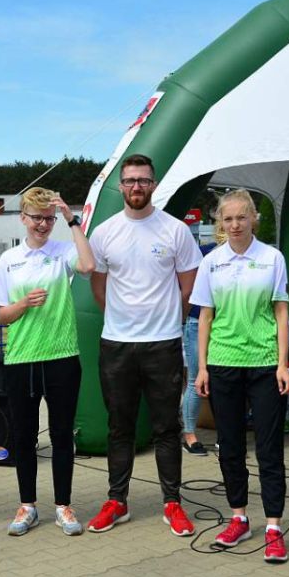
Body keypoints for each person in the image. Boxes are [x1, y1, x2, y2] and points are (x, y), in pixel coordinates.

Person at [87, 153, 202, 536]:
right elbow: (99, 288)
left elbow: (189, 287)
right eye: (130, 180)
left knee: (166, 427)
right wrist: (123, 320)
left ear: (154, 184)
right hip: (117, 346)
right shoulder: (104, 233)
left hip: (163, 345)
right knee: (119, 427)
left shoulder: (175, 231)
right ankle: (117, 502)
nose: (137, 186)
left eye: (143, 180)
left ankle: (172, 503)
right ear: (121, 186)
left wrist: (166, 321)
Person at [191, 189, 289, 562]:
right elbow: (205, 317)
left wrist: (283, 364)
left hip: (264, 364)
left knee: (269, 448)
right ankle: (239, 518)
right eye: (228, 218)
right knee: (230, 446)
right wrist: (202, 368)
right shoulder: (211, 262)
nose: (235, 225)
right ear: (220, 222)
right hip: (223, 364)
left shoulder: (272, 258)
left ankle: (273, 527)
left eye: (241, 217)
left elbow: (281, 312)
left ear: (254, 219)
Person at [0, 187, 95, 536]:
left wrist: (71, 219)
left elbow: (88, 265)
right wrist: (23, 305)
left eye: (49, 219)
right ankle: (28, 506)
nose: (43, 225)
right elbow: (1, 316)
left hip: (62, 356)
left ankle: (63, 505)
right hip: (22, 358)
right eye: (36, 218)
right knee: (24, 436)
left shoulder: (63, 251)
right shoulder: (9, 259)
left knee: (62, 434)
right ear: (23, 218)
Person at [182, 223, 226, 456]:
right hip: (197, 320)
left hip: (226, 324)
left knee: (224, 381)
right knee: (195, 378)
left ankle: (225, 436)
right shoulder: (205, 253)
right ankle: (189, 435)